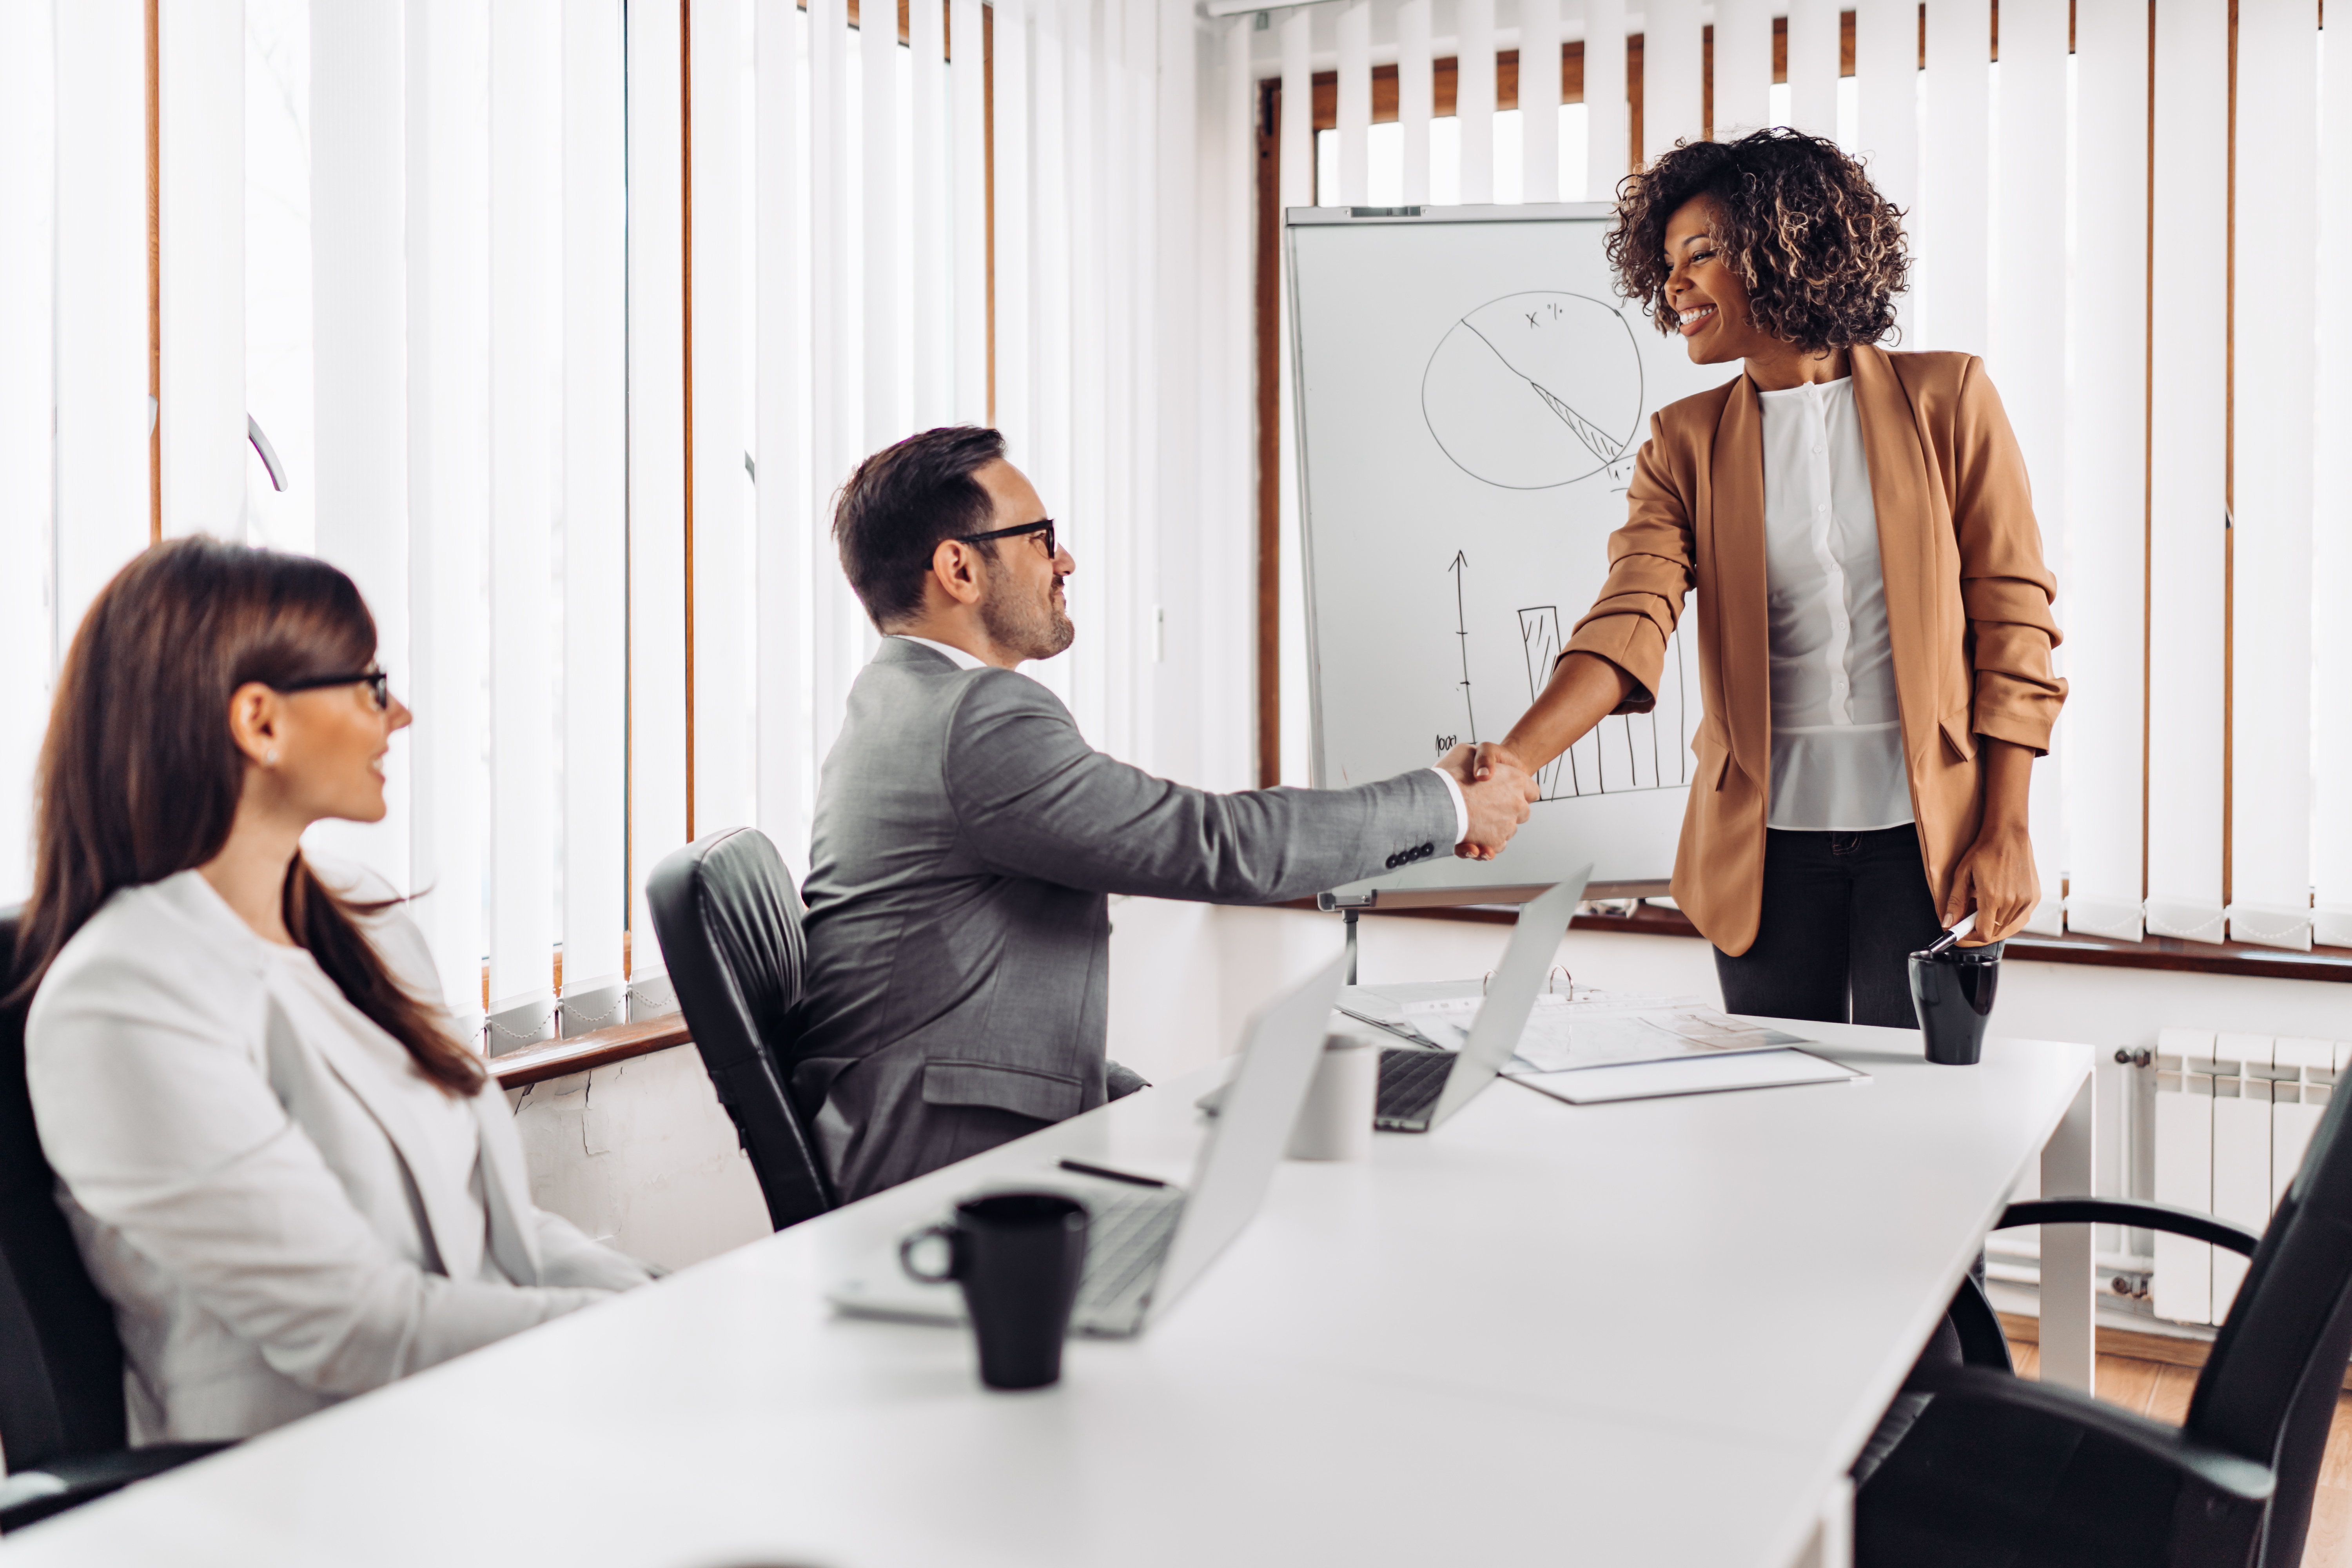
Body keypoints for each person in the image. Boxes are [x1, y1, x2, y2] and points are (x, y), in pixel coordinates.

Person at [796, 426, 1539, 1201]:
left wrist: (1162, 1105)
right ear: (959, 567)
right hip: (939, 1167)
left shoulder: (895, 703)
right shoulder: (977, 718)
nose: (1067, 561)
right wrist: (1450, 803)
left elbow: (966, 1019)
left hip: (926, 1134)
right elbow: (1217, 846)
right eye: (1042, 539)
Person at [19, 538, 653, 1443]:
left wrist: (658, 1298)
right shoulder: (123, 998)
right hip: (310, 1484)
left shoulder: (362, 916)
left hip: (479, 1418)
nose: (400, 716)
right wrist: (638, 1337)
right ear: (260, 723)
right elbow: (353, 1328)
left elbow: (498, 1227)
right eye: (369, 684)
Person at [1476, 129, 2065, 1027]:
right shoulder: (1684, 444)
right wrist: (1514, 759)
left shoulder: (1950, 398)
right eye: (1665, 263)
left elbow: (2012, 620)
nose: (1673, 285)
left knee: (1916, 1118)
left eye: (1701, 254)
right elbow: (1629, 618)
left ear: (1794, 247)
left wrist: (2010, 825)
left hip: (1930, 842)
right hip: (1763, 854)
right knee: (1775, 1120)